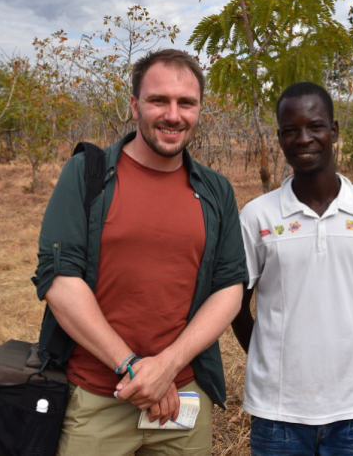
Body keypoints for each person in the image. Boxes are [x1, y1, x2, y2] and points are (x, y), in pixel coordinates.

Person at [32, 48, 248, 456]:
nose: (173, 115)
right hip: (97, 397)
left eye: (186, 103)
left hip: (182, 401)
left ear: (200, 110)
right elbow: (60, 282)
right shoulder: (87, 174)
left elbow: (229, 288)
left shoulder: (216, 191)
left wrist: (166, 367)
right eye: (158, 100)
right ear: (134, 106)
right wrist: (133, 368)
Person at [232, 82, 353, 456]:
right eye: (290, 130)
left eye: (315, 126)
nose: (303, 138)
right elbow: (236, 306)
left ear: (334, 130)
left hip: (351, 408)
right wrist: (267, 361)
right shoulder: (256, 216)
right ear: (279, 137)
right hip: (276, 412)